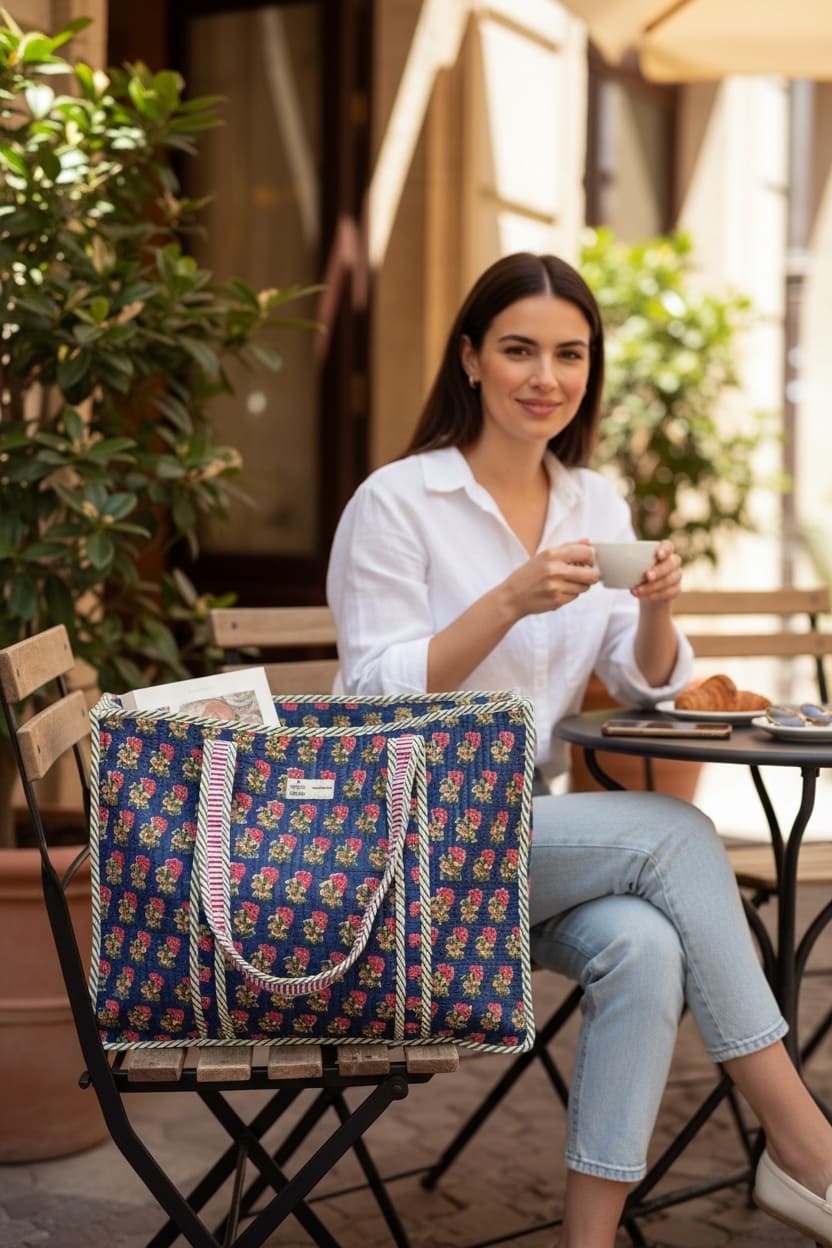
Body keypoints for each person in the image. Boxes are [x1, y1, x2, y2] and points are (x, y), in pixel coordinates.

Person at [326, 251, 832, 1248]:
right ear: (470, 358)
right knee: (674, 834)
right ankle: (806, 1148)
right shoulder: (397, 501)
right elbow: (367, 699)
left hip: (512, 840)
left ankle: (587, 1244)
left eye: (568, 354)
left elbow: (646, 679)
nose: (544, 377)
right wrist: (508, 597)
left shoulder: (589, 502)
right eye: (518, 350)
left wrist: (658, 607)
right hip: (399, 840)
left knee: (643, 949)